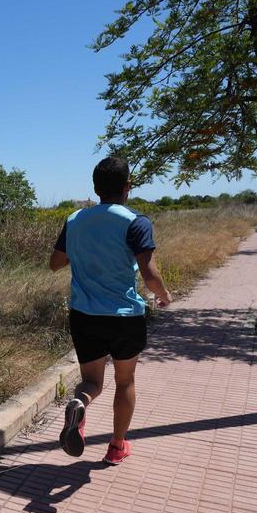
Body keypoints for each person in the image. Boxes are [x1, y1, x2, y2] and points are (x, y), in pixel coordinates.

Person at [49, 156, 171, 465]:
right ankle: (117, 446)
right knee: (124, 382)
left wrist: (82, 253)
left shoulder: (75, 219)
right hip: (124, 318)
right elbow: (150, 275)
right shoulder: (135, 222)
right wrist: (164, 295)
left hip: (84, 316)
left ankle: (79, 402)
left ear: (95, 188)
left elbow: (55, 263)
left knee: (92, 382)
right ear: (127, 187)